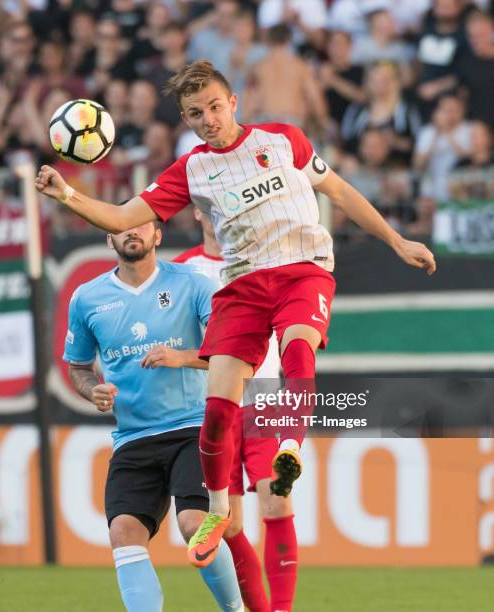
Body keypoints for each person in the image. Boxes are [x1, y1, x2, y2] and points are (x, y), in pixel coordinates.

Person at [36, 60, 436, 580]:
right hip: (243, 286)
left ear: (235, 103)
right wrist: (67, 194)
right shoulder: (191, 171)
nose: (208, 120)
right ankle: (219, 508)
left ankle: (291, 445)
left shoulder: (285, 140)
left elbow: (338, 191)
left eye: (215, 107)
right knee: (219, 408)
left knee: (298, 348)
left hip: (301, 271)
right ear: (185, 119)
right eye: (194, 114)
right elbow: (120, 217)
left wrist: (397, 240)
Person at [62, 220, 243, 612]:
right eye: (120, 226)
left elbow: (228, 351)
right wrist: (90, 388)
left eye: (140, 225)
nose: (131, 232)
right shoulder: (86, 298)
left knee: (196, 524)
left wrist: (182, 357)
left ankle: (236, 610)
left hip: (193, 427)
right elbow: (77, 366)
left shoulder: (192, 283)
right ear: (108, 237)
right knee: (123, 532)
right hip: (132, 437)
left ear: (157, 236)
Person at [174, 208, 296, 611]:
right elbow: (173, 343)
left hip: (263, 395)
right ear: (197, 210)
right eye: (209, 207)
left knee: (277, 498)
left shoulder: (268, 259)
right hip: (213, 403)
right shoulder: (182, 272)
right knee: (229, 523)